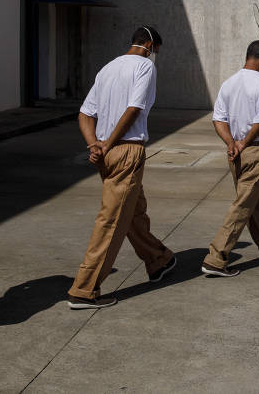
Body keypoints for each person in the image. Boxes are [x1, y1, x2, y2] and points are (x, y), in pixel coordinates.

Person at [67, 26, 175, 309]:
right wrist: (108, 143)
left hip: (106, 153)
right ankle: (84, 289)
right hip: (125, 150)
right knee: (112, 220)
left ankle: (158, 259)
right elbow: (134, 109)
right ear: (149, 44)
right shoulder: (144, 67)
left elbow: (85, 113)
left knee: (134, 213)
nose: (155, 56)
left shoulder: (108, 68)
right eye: (156, 51)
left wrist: (95, 145)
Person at [202, 40, 259, 277]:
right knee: (243, 204)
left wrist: (231, 143)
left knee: (254, 200)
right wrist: (244, 142)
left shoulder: (229, 83)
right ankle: (216, 258)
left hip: (235, 153)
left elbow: (218, 119)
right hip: (254, 149)